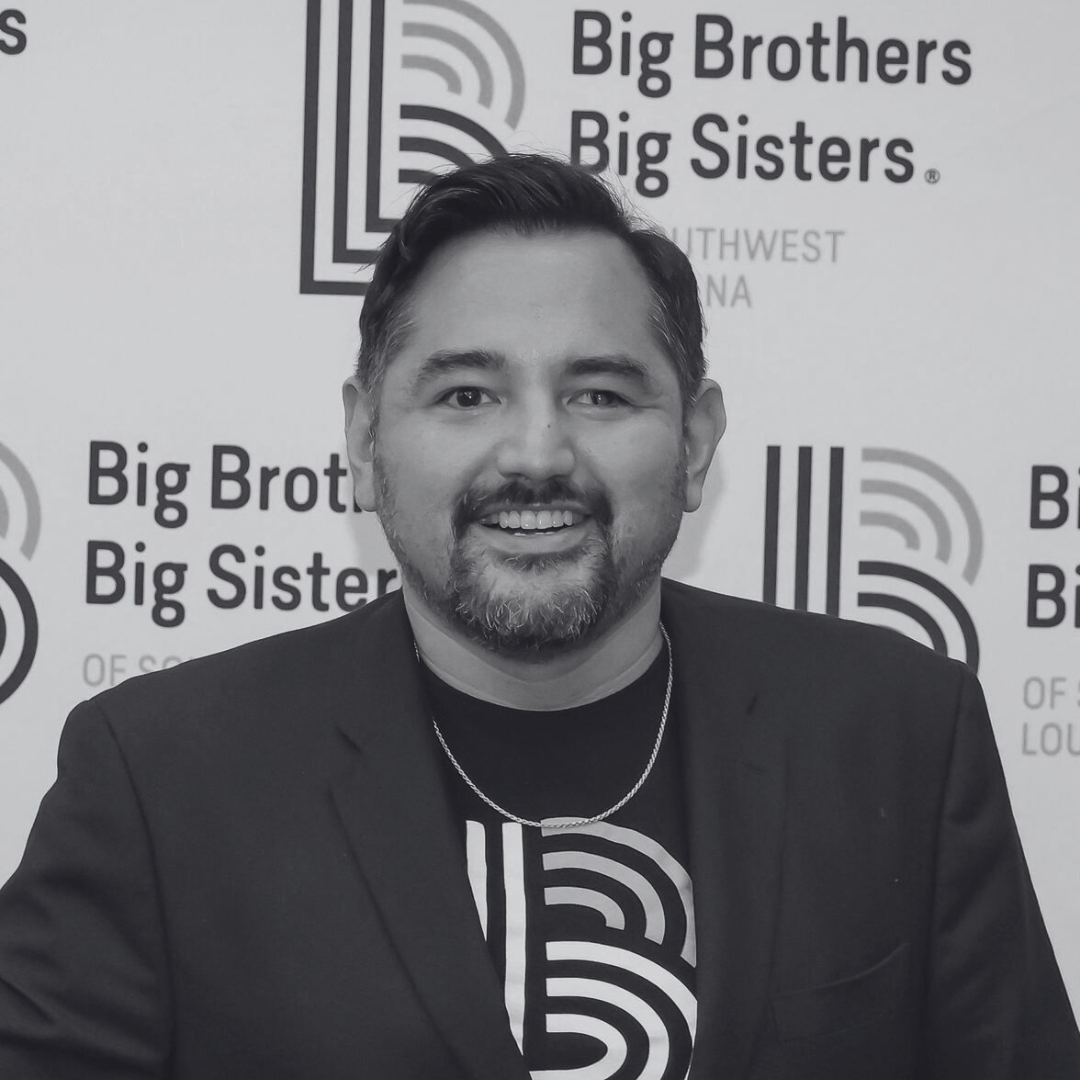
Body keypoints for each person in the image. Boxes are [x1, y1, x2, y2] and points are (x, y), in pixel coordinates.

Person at [0, 154, 1077, 1080]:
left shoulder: (897, 730)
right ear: (365, 438)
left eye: (600, 393)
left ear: (696, 441)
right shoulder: (160, 773)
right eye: (466, 394)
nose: (535, 454)